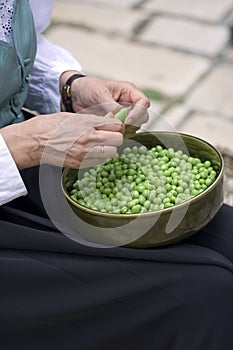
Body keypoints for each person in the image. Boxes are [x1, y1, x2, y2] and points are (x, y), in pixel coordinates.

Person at [0, 1, 233, 349]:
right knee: (199, 295)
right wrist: (24, 143)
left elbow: (16, 42)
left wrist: (68, 85)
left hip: (22, 155)